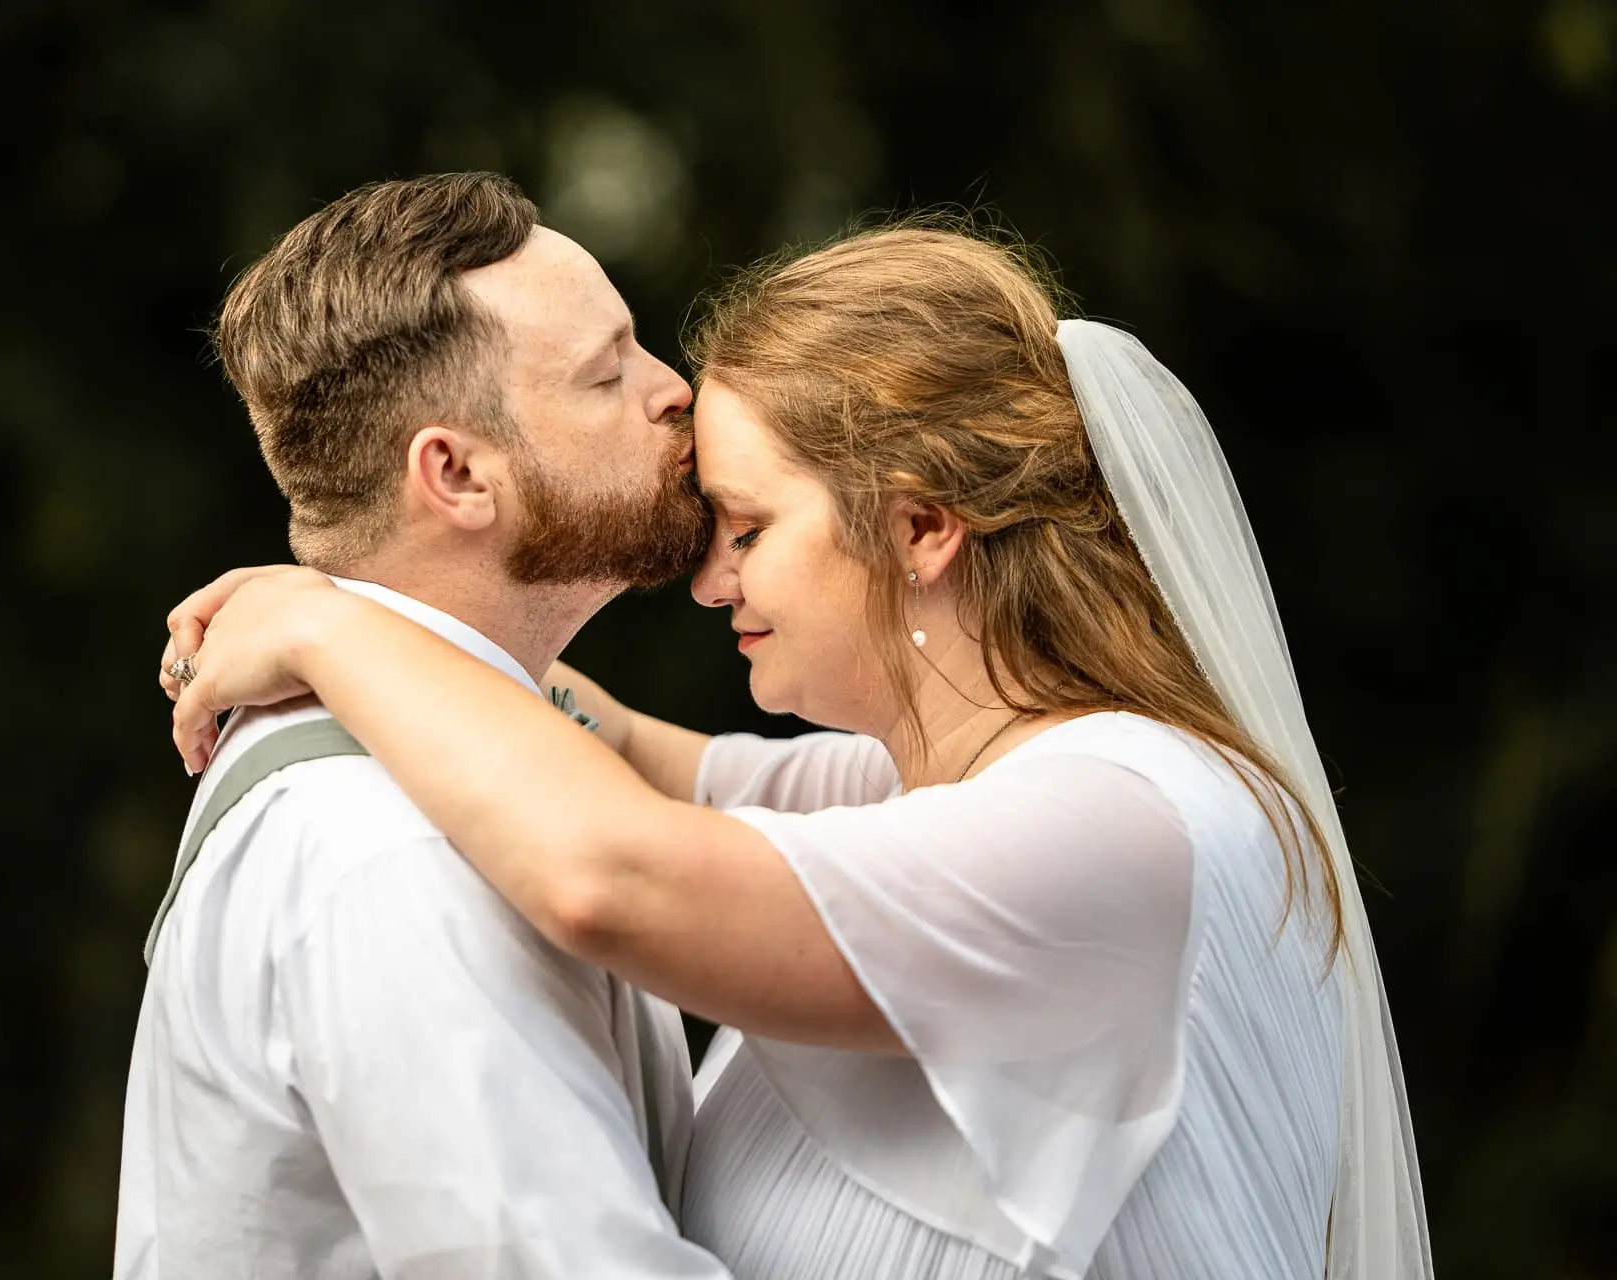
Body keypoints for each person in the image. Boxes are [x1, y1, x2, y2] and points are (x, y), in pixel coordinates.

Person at [161, 224, 1435, 1279]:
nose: (713, 573)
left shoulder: (1120, 823)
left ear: (922, 526)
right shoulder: (917, 784)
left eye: (750, 524)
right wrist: (370, 604)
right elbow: (611, 744)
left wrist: (330, 625)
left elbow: (617, 864)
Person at [115, 172, 731, 1279]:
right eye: (609, 373)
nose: (676, 390)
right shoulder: (388, 847)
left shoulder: (449, 753)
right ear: (454, 473)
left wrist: (327, 618)